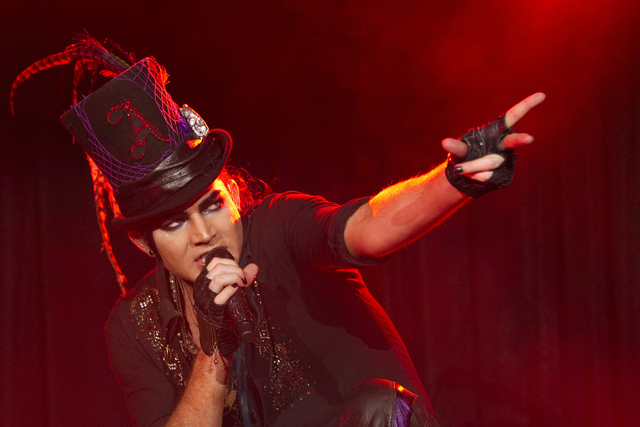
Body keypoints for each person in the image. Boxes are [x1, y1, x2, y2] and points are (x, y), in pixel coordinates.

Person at [12, 36, 544, 427]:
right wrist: (215, 350)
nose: (203, 234)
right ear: (141, 243)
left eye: (212, 206)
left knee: (377, 406)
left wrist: (454, 180)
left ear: (233, 194)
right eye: (173, 223)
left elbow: (368, 228)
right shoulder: (135, 325)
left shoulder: (277, 228)